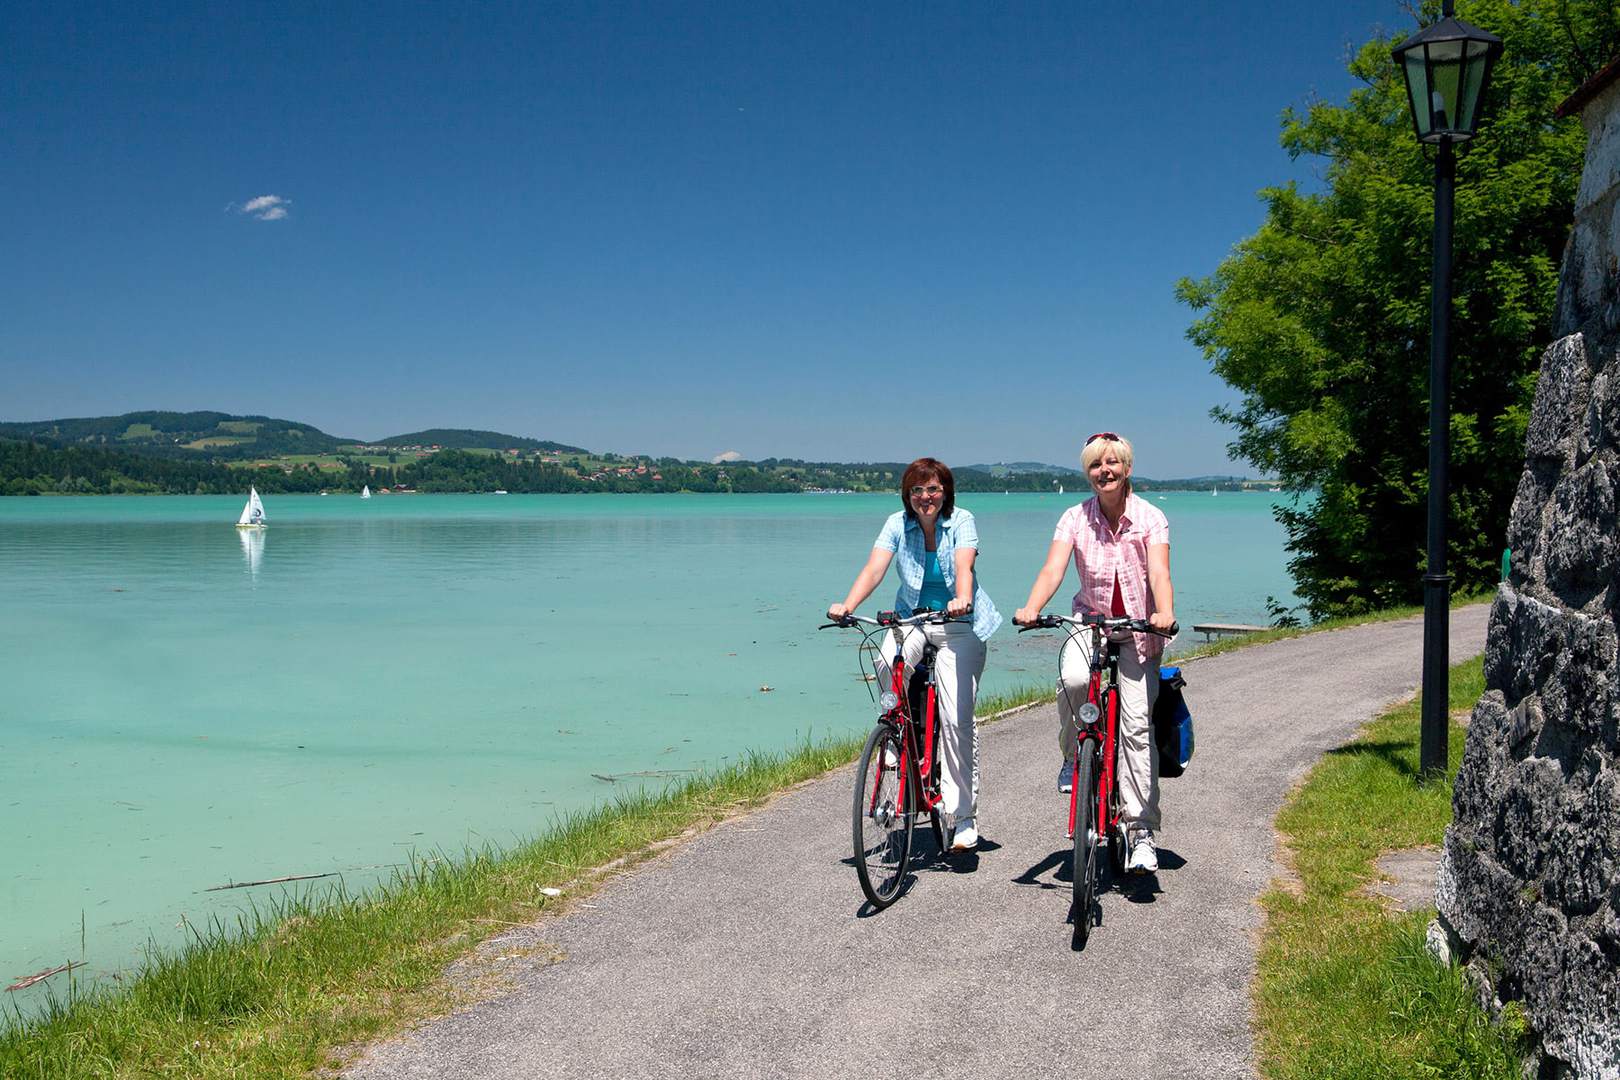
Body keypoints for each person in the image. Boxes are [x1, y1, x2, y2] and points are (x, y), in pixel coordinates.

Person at [1012, 432, 1175, 874]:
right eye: (1095, 466)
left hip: (1140, 631)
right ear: (1088, 474)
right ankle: (1072, 757)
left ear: (1127, 468)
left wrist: (1165, 612)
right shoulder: (1074, 518)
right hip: (1091, 623)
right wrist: (1033, 607)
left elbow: (1159, 571)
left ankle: (1141, 831)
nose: (1104, 471)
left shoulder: (1150, 517)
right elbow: (1053, 567)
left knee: (1136, 728)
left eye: (1112, 463)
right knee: (1074, 680)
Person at [827, 458, 1002, 852]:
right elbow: (875, 568)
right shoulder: (896, 523)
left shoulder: (962, 520)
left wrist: (961, 597)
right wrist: (848, 604)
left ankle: (963, 818)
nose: (925, 497)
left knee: (956, 718)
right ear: (908, 496)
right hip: (912, 619)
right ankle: (895, 733)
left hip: (959, 623)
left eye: (933, 489)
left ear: (946, 492)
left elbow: (965, 565)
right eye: (917, 491)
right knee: (887, 659)